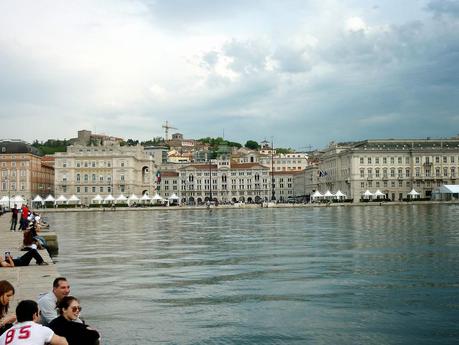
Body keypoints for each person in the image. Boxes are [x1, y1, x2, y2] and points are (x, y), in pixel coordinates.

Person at [0, 300, 68, 345]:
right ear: (35, 315)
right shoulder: (41, 330)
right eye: (39, 313)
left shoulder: (4, 335)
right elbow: (64, 342)